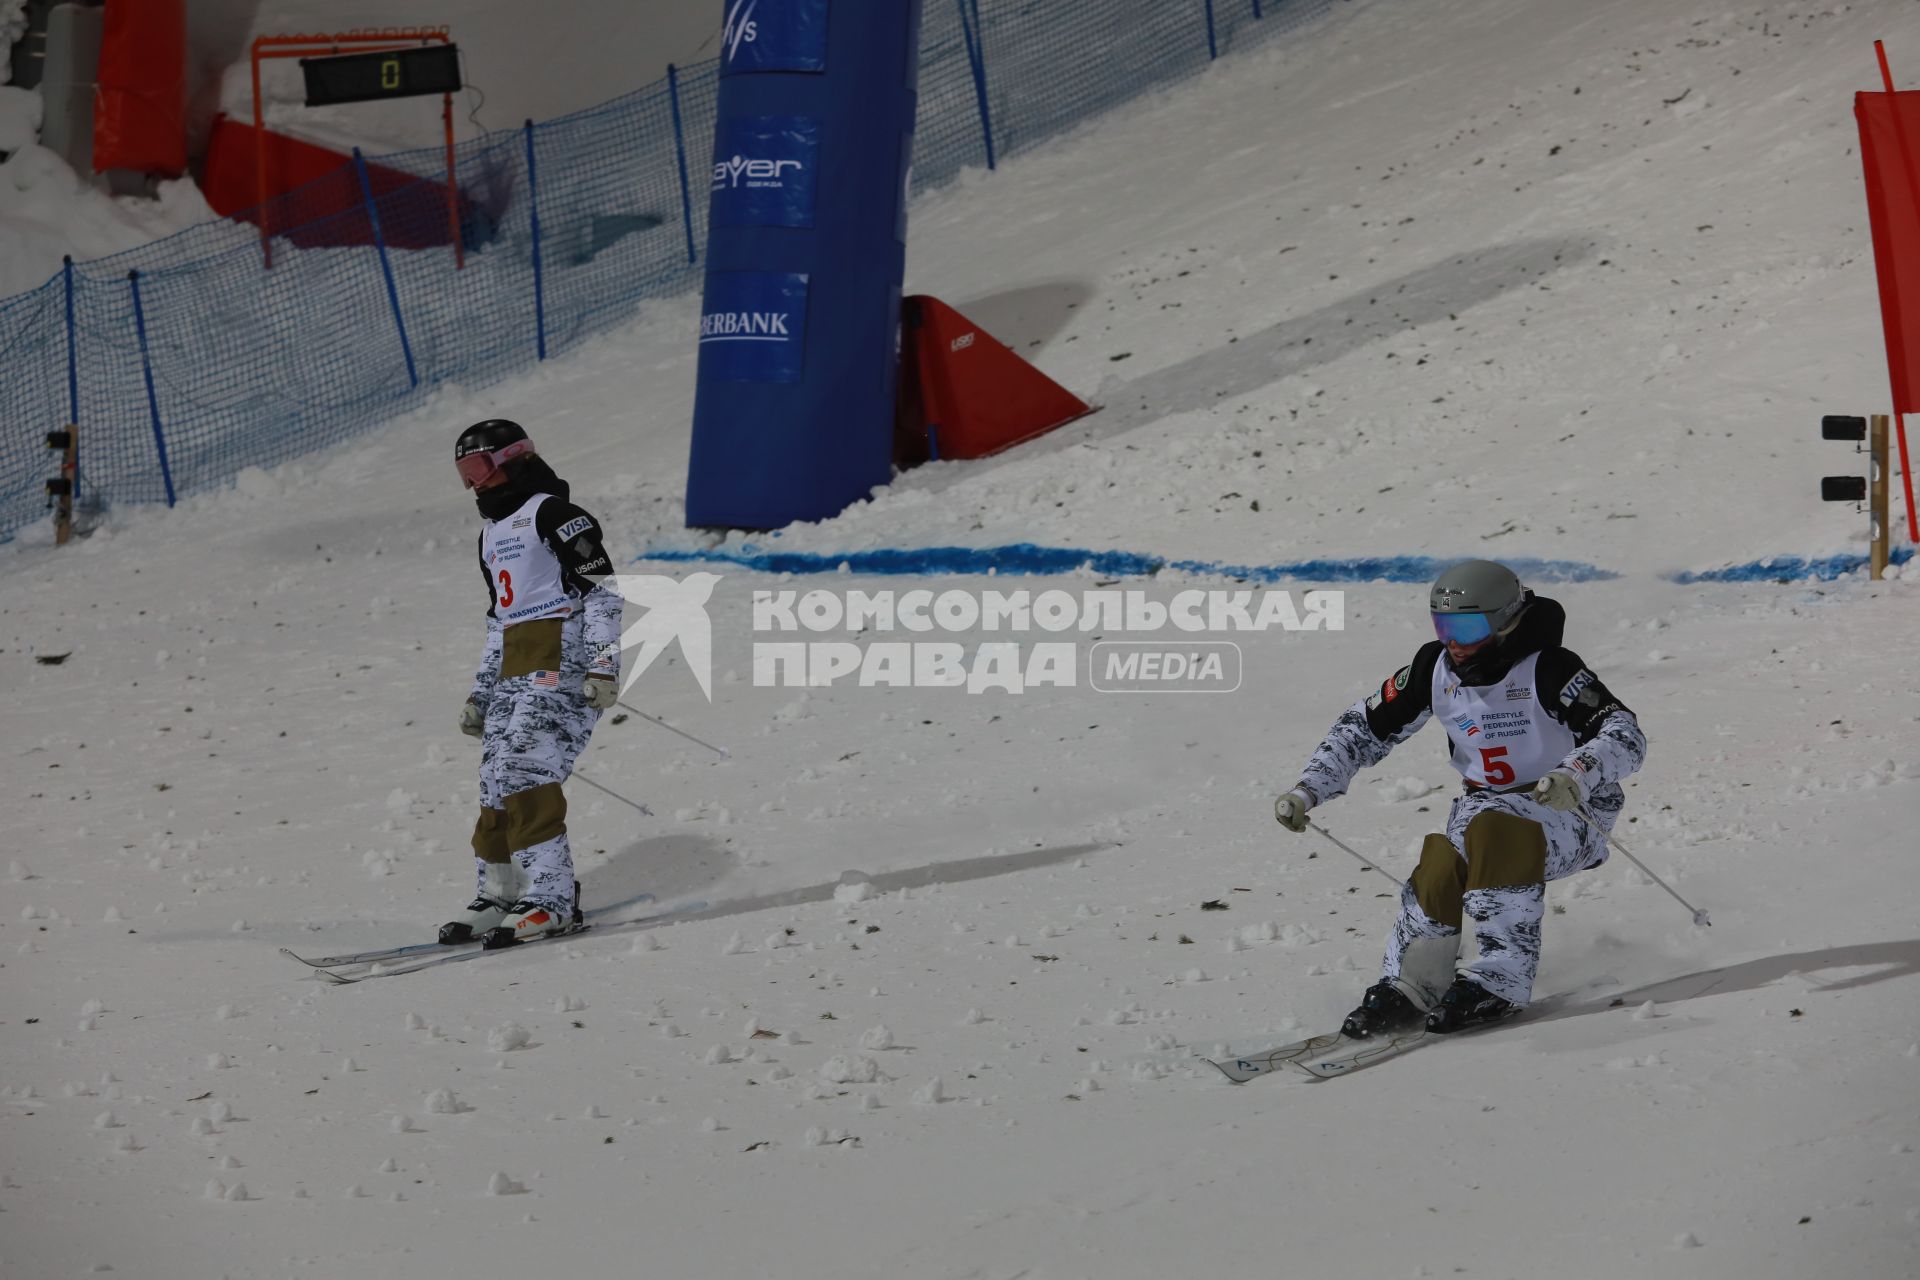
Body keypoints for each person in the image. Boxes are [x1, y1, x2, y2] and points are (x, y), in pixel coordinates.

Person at [1272, 560, 1647, 1035]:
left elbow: (1624, 733)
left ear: (1506, 620)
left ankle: (1500, 979)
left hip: (1570, 812)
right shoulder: (1434, 667)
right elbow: (1362, 729)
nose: (1454, 640)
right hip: (1482, 809)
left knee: (1496, 832)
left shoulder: (1550, 669)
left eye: (1467, 626)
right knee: (1441, 860)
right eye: (1443, 624)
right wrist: (1309, 788)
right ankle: (1413, 984)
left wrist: (1578, 772)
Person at [442, 419, 623, 948]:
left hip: (562, 660)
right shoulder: (492, 535)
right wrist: (481, 691)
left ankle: (551, 898)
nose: (474, 484)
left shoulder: (556, 515)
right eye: (464, 474)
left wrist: (603, 666)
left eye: (479, 468)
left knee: (526, 768)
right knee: (495, 776)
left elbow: (604, 594)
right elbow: (499, 620)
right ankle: (501, 892)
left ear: (514, 459)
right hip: (513, 671)